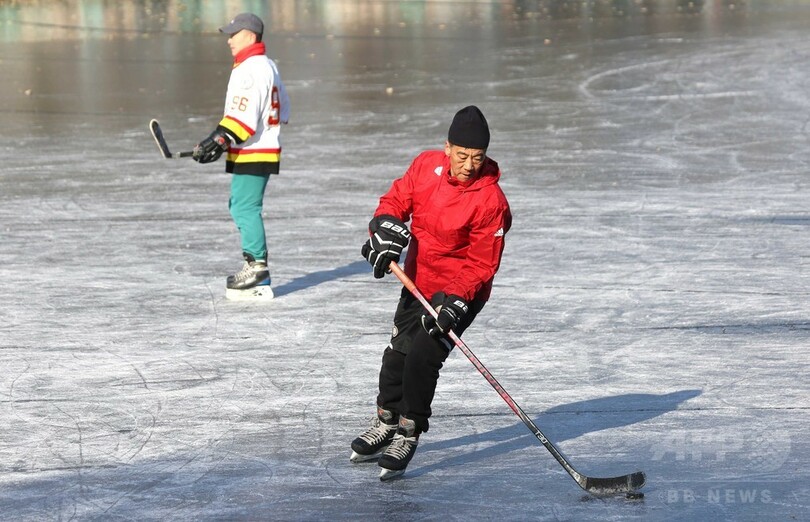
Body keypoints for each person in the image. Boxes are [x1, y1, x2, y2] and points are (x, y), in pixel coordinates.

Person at [350, 106, 512, 480]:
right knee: (397, 355)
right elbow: (394, 201)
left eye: (478, 157)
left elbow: (481, 263)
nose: (470, 164)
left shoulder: (492, 202)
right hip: (418, 279)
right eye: (462, 155)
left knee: (423, 356)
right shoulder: (425, 167)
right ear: (447, 147)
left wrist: (456, 300)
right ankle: (386, 421)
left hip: (461, 290)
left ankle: (408, 431)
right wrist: (384, 230)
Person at [192, 12, 290, 301]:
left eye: (233, 34)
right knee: (240, 204)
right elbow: (284, 108)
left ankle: (257, 269)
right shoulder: (268, 65)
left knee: (244, 208)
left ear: (249, 35)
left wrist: (220, 138)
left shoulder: (250, 68)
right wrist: (223, 139)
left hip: (253, 149)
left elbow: (244, 118)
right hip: (260, 146)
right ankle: (255, 266)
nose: (229, 41)